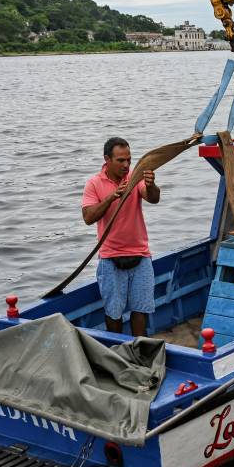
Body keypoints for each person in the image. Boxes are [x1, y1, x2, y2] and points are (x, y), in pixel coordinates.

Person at [82, 137, 160, 336]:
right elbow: (88, 218)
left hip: (140, 255)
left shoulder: (135, 177)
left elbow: (153, 198)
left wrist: (151, 185)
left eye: (129, 160)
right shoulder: (94, 183)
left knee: (141, 310)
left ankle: (140, 351)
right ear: (107, 159)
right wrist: (111, 197)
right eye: (121, 160)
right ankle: (117, 351)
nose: (126, 165)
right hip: (110, 258)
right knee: (113, 313)